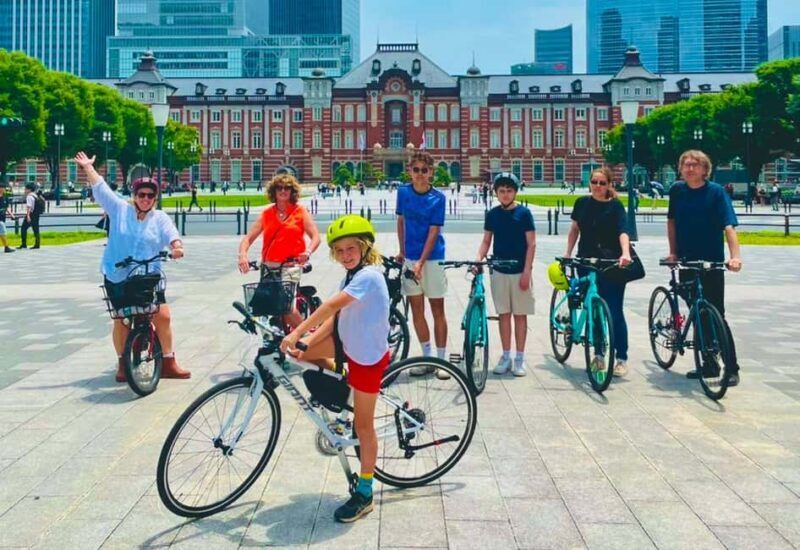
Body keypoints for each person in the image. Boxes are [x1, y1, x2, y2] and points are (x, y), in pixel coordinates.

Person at [280, 215, 389, 523]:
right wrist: (308, 340)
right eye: (339, 250)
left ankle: (365, 492)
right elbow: (335, 317)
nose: (345, 255)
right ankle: (345, 385)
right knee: (301, 356)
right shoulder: (351, 276)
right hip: (346, 342)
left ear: (364, 247)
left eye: (351, 248)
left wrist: (297, 332)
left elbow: (330, 306)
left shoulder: (369, 276)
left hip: (366, 357)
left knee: (363, 427)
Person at [74, 151, 190, 382]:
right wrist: (88, 167)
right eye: (141, 194)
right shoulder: (119, 210)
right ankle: (122, 362)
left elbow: (172, 237)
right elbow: (101, 188)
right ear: (134, 195)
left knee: (163, 316)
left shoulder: (160, 218)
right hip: (118, 274)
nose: (145, 199)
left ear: (155, 198)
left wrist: (177, 247)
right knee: (120, 319)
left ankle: (168, 361)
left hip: (148, 276)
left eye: (150, 195)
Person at [666, 150, 742, 386]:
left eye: (695, 165)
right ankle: (708, 364)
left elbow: (729, 226)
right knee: (696, 312)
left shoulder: (716, 192)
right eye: (686, 165)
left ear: (705, 169)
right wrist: (673, 252)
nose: (690, 169)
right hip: (687, 261)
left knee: (716, 313)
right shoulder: (677, 191)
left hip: (711, 262)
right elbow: (672, 221)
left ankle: (731, 368)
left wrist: (735, 257)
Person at [564, 167, 633, 377]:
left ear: (610, 185)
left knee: (614, 310)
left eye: (602, 183)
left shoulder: (616, 206)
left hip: (611, 263)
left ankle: (621, 357)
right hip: (586, 260)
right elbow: (575, 229)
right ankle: (599, 355)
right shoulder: (582, 203)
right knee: (593, 308)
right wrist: (567, 253)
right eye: (594, 182)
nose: (598, 186)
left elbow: (623, 231)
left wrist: (625, 253)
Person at [238, 173, 321, 328]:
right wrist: (243, 256)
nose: (283, 191)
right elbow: (247, 239)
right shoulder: (267, 214)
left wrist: (308, 252)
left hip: (291, 265)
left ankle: (307, 337)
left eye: (287, 188)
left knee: (285, 307)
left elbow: (316, 237)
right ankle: (277, 338)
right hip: (269, 267)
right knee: (264, 305)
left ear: (292, 191)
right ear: (274, 191)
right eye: (279, 188)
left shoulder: (300, 212)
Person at [475, 173, 536, 377]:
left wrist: (527, 271)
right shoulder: (492, 214)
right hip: (499, 269)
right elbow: (486, 241)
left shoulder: (524, 213)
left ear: (515, 192)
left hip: (519, 270)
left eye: (509, 190)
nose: (506, 194)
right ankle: (506, 355)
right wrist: (478, 259)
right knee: (504, 314)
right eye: (502, 191)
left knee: (520, 315)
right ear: (496, 193)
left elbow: (531, 244)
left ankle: (519, 357)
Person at [395, 150, 449, 378]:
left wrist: (420, 262)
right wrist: (403, 252)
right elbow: (401, 221)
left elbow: (434, 231)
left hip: (433, 258)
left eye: (424, 170)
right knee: (416, 308)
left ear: (431, 173)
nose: (419, 174)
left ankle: (441, 360)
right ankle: (427, 357)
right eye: (415, 170)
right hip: (410, 258)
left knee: (437, 308)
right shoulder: (403, 193)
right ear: (409, 171)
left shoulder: (438, 198)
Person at [19, 182, 43, 249]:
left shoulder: (29, 196)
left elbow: (29, 207)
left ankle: (24, 244)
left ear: (29, 189)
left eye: (26, 188)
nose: (25, 190)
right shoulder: (35, 195)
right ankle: (37, 244)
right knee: (36, 229)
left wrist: (28, 216)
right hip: (36, 214)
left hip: (31, 214)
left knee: (23, 228)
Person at [0, 185, 15, 253]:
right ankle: (6, 247)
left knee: (2, 233)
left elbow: (6, 207)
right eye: (3, 188)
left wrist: (11, 215)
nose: (4, 189)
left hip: (2, 217)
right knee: (3, 232)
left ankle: (6, 247)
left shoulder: (5, 197)